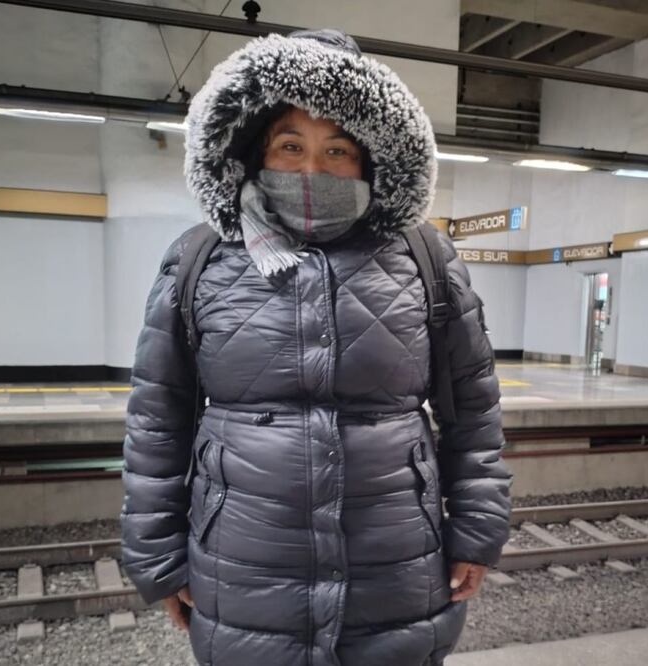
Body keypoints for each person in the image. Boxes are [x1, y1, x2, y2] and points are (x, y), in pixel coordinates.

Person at [121, 28, 511, 666]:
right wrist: (159, 558)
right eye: (290, 145)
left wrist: (476, 530)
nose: (311, 169)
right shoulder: (200, 259)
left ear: (370, 159)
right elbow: (156, 422)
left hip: (396, 566)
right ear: (254, 151)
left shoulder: (423, 256)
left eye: (338, 149)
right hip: (243, 564)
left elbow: (472, 409)